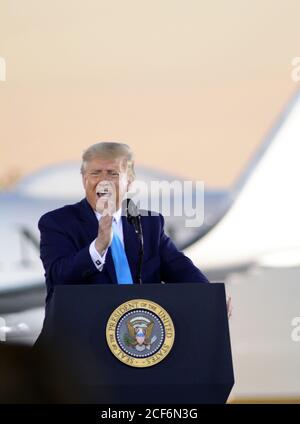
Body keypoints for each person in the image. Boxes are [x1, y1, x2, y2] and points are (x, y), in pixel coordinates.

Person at [38, 142, 210, 310]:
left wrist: (210, 295)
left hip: (136, 332)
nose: (103, 181)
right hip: (81, 333)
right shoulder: (57, 222)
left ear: (129, 181)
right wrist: (98, 248)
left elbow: (181, 269)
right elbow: (57, 278)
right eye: (95, 173)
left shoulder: (149, 223)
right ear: (84, 180)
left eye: (112, 173)